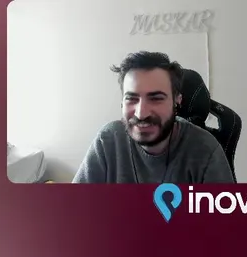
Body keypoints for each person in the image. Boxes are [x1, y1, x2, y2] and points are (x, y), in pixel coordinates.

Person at [73, 51, 234, 184]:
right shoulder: (108, 140)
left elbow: (223, 214)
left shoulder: (205, 150)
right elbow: (73, 207)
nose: (141, 113)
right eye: (132, 98)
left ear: (177, 100)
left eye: (156, 98)